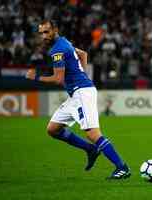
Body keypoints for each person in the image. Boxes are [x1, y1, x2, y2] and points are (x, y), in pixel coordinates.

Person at [26, 20, 130, 179]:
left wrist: (36, 77)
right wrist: (83, 75)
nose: (43, 36)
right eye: (41, 33)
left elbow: (58, 79)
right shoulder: (64, 42)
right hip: (77, 93)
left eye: (46, 32)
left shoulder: (57, 50)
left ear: (55, 30)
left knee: (93, 133)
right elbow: (83, 54)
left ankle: (122, 167)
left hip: (81, 93)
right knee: (53, 129)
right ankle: (90, 149)